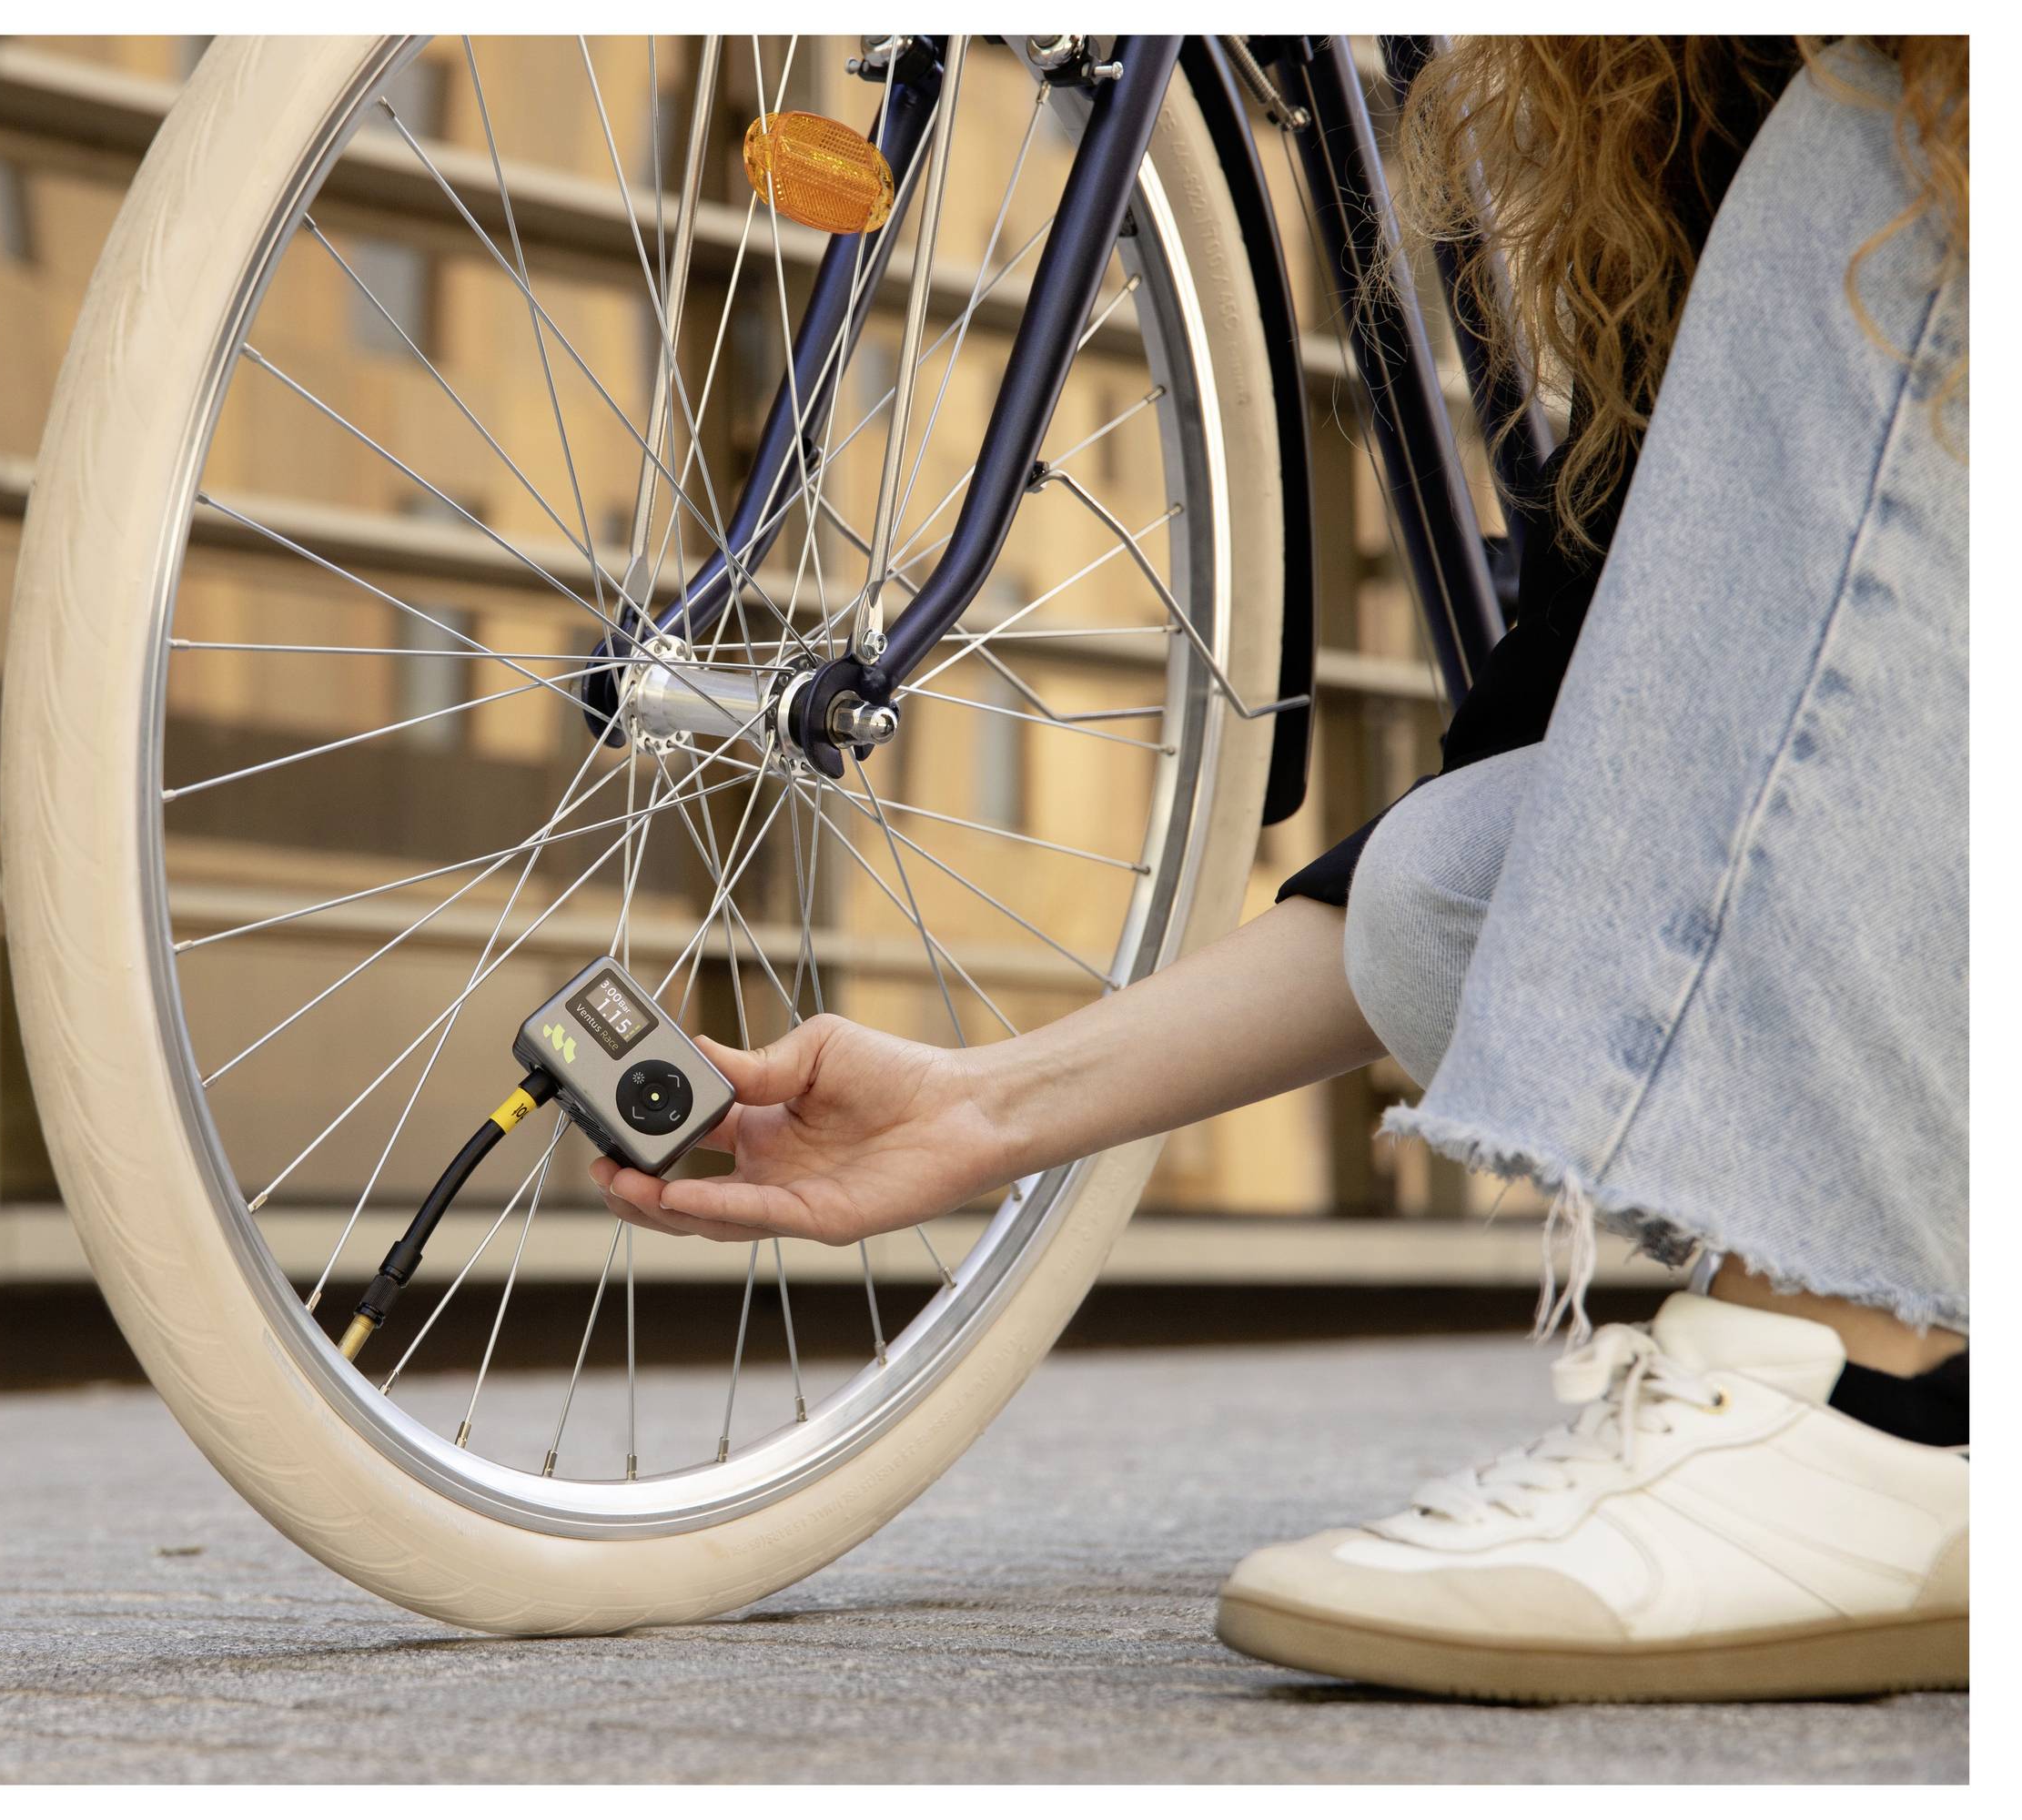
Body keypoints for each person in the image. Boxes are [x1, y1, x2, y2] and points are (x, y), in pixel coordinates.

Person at [591, 36, 1967, 1703]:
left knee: (1880, 145)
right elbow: (1612, 745)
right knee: (1453, 889)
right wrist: (980, 1113)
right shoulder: (1699, 98)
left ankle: (1863, 1393)